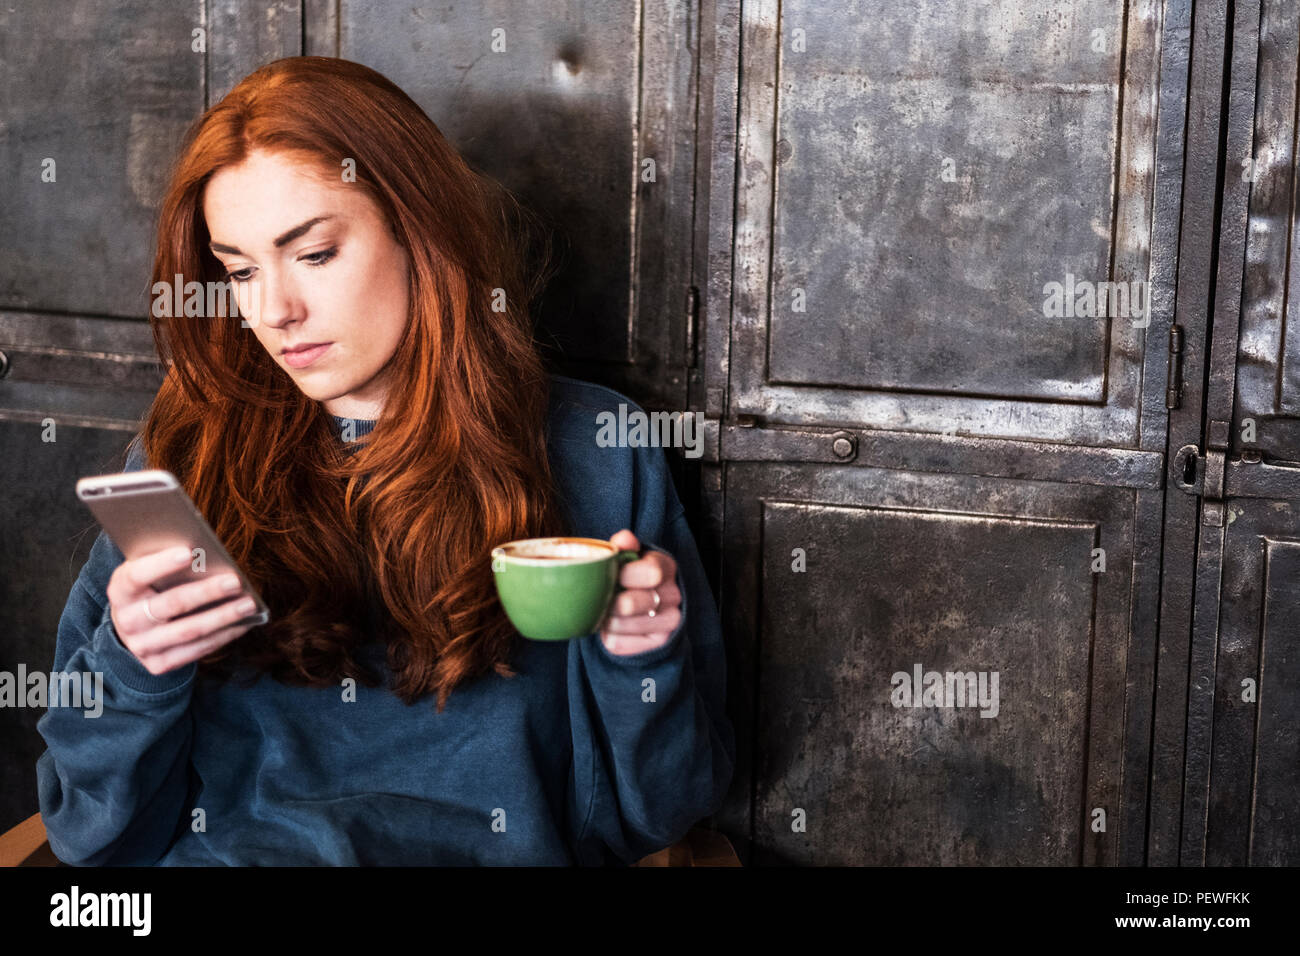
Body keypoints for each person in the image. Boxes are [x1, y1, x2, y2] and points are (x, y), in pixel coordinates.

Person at [35, 56, 734, 865]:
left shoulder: (595, 450)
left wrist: (639, 663)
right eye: (239, 271)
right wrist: (134, 671)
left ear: (417, 226)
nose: (274, 311)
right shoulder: (187, 457)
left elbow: (667, 812)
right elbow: (89, 837)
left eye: (316, 254)